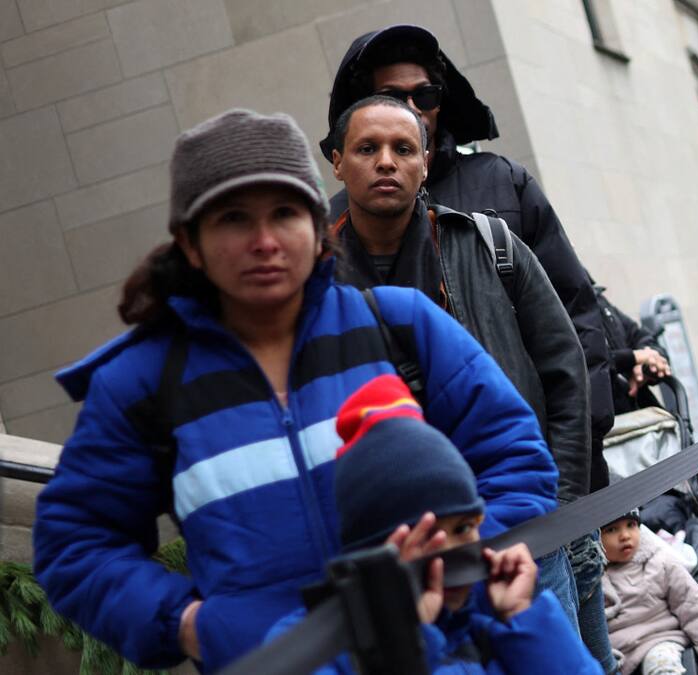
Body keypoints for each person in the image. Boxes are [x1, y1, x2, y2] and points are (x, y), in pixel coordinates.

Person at [33, 110, 557, 672]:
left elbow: (515, 460)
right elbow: (76, 544)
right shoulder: (140, 382)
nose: (264, 242)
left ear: (314, 224)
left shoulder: (401, 325)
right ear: (190, 242)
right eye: (233, 219)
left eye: (284, 213)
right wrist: (189, 625)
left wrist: (457, 565)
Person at [324, 93, 604, 662]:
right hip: (393, 556)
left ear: (425, 162)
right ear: (336, 162)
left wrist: (559, 506)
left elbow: (564, 369)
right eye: (367, 148)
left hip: (519, 531)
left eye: (403, 148)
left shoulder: (491, 245)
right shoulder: (314, 286)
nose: (386, 162)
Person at [320, 22, 614, 487]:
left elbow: (571, 315)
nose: (413, 108)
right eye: (394, 97)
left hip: (530, 476)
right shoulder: (328, 240)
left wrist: (576, 463)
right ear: (340, 159)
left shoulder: (502, 184)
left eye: (426, 95)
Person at [268, 374, 602, 674]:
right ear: (379, 548)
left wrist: (525, 620)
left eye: (465, 527)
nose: (459, 551)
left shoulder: (486, 626)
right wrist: (406, 639)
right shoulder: (317, 647)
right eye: (430, 537)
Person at [600, 510, 698, 675]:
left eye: (631, 525)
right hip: (615, 655)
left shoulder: (661, 563)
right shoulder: (590, 579)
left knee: (661, 664)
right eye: (611, 530)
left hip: (659, 641)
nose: (625, 535)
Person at [595, 282, 671, 414]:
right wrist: (633, 358)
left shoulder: (596, 297)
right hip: (608, 425)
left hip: (643, 414)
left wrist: (648, 364)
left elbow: (639, 336)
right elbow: (586, 361)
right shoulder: (560, 303)